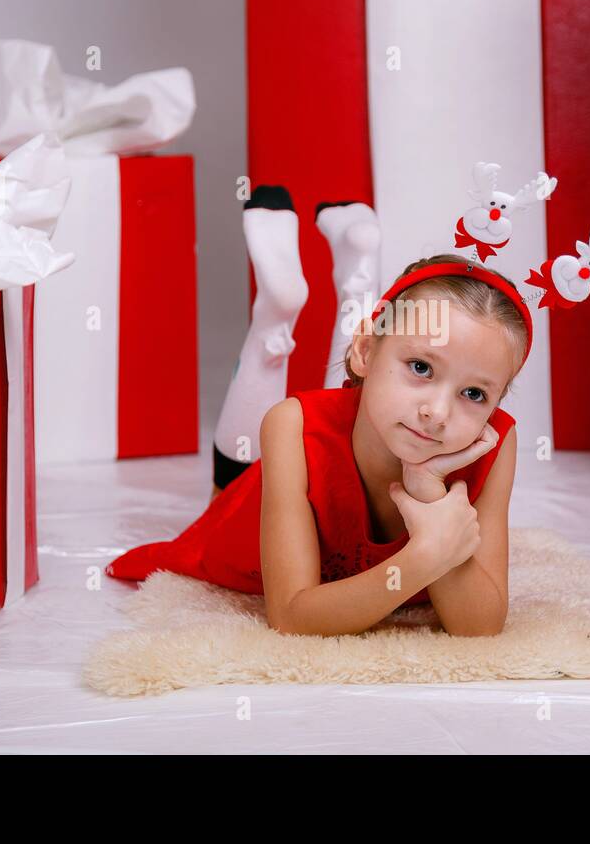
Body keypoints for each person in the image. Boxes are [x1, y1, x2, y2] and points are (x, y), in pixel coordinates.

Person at [106, 185, 528, 638]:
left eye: (475, 395)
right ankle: (275, 314)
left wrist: (428, 494)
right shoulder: (291, 424)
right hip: (254, 503)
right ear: (364, 350)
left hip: (353, 419)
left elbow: (479, 628)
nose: (438, 412)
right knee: (237, 475)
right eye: (421, 367)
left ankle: (353, 283)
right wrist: (426, 556)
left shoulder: (496, 443)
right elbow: (291, 616)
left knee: (365, 411)